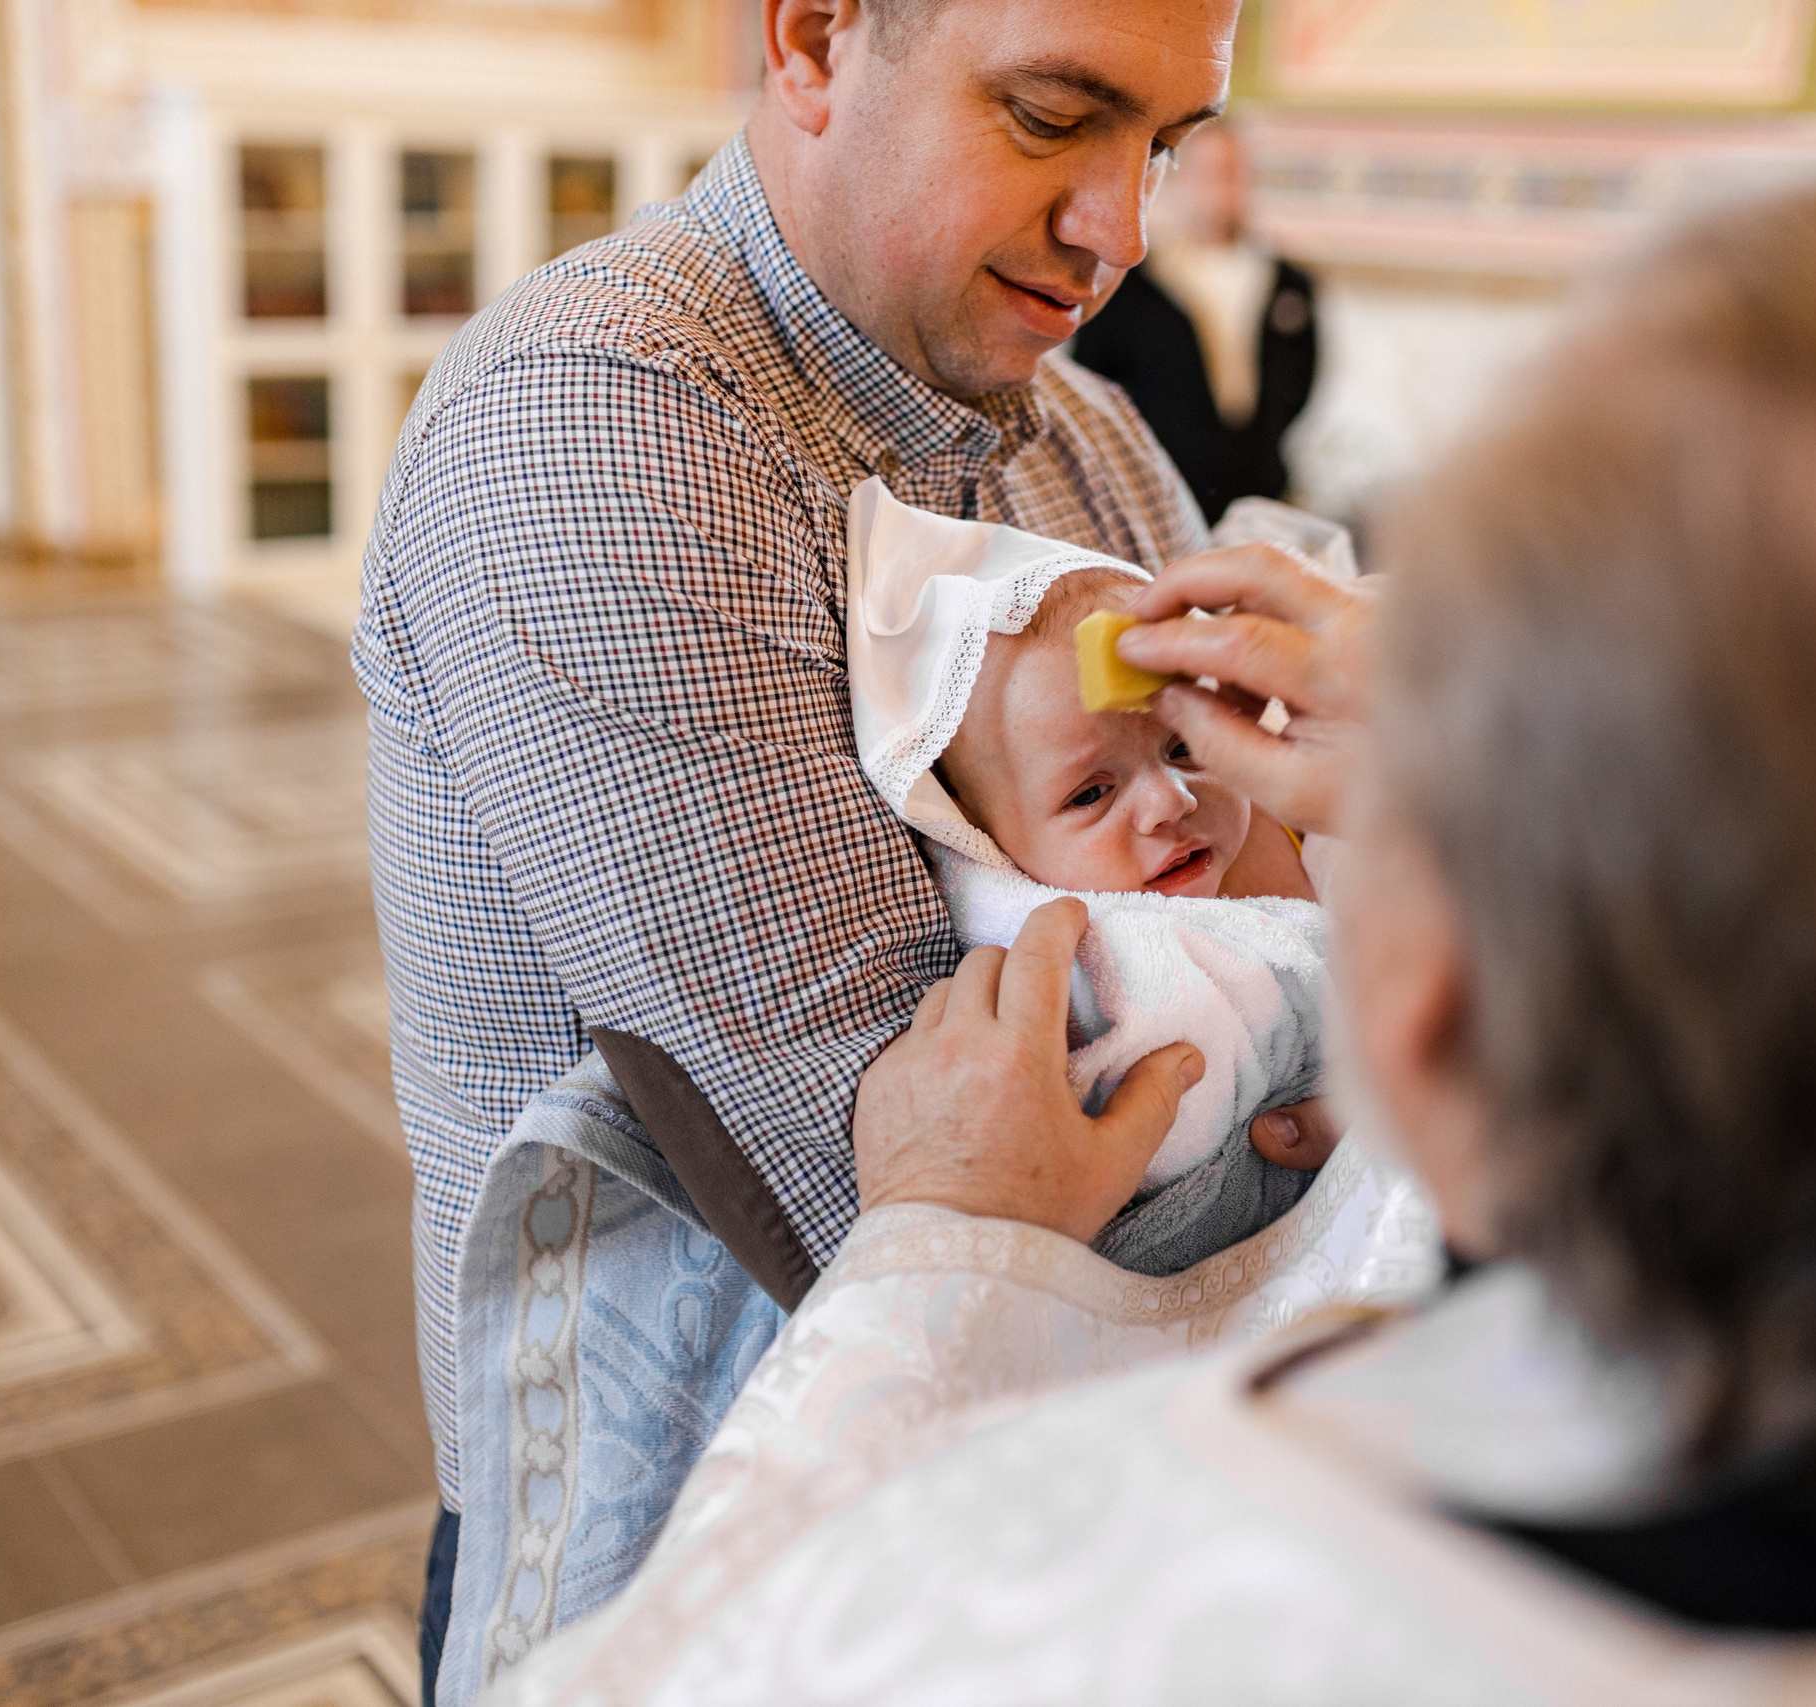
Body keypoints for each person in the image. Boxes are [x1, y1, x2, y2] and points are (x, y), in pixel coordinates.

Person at [488, 177, 1816, 1700]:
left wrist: (936, 1257)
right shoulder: (596, 419)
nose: (1119, 227)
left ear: (1434, 1023)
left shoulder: (1067, 1595)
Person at [353, 1, 1340, 1696]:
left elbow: (1262, 915)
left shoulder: (1088, 439)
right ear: (811, 37)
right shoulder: (602, 416)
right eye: (1052, 117)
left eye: (1162, 145)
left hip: (1024, 1508)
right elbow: (891, 1201)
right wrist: (1348, 1100)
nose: (1122, 228)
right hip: (678, 1550)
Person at [841, 477, 1427, 1278]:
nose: (1171, 799)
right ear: (990, 850)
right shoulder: (1098, 962)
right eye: (1090, 792)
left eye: (1183, 747)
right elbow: (1168, 1112)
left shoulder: (1317, 812)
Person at [1069, 123, 1322, 523]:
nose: (1219, 187)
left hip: (1259, 479)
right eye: (1206, 172)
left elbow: (1302, 376)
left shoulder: (1287, 281)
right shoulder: (1138, 281)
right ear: (1180, 179)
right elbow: (1094, 376)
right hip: (1157, 483)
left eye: (1231, 171)